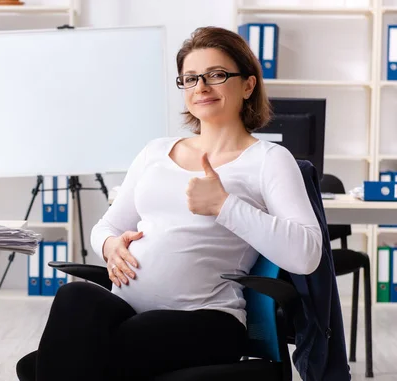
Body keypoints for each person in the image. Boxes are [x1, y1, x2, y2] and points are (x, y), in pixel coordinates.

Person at [17, 26, 323, 381]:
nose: (201, 87)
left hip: (207, 320)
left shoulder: (269, 159)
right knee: (74, 297)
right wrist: (110, 246)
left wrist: (224, 205)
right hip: (128, 307)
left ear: (248, 85)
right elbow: (106, 227)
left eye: (217, 75)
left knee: (50, 365)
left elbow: (306, 254)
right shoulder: (156, 151)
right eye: (190, 79)